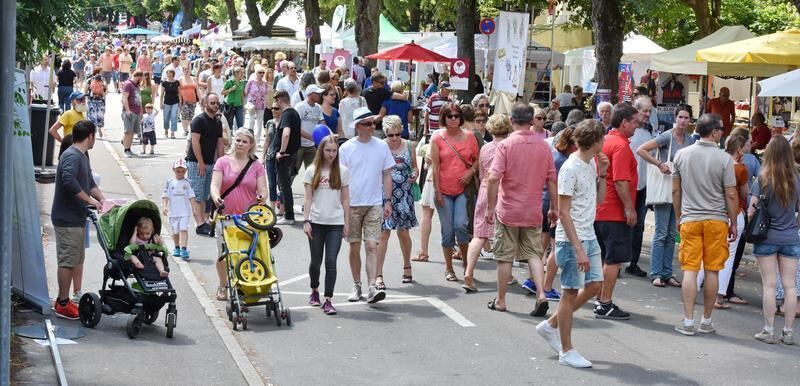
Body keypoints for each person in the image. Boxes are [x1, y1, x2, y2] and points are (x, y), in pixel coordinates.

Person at [536, 119, 609, 368]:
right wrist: (577, 247)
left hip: (588, 233)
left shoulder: (590, 164)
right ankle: (566, 350)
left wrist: (604, 174)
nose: (605, 141)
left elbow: (599, 200)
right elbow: (564, 213)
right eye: (603, 137)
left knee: (594, 286)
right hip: (571, 239)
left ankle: (551, 325)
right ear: (596, 141)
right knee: (569, 293)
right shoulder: (570, 168)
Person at [485, 103, 556, 315]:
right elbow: (552, 179)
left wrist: (490, 208)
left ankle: (501, 300)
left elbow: (493, 178)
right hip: (532, 209)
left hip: (508, 210)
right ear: (532, 120)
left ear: (511, 121)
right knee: (534, 253)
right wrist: (554, 207)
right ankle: (541, 294)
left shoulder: (506, 145)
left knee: (505, 256)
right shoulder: (543, 146)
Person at [672, 113, 738, 336]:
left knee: (690, 270)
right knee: (712, 270)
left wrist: (679, 215)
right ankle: (706, 320)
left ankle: (688, 321)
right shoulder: (724, 159)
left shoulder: (681, 155)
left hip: (690, 218)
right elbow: (730, 194)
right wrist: (733, 222)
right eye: (720, 129)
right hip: (716, 220)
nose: (722, 132)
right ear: (714, 132)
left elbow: (675, 190)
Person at [339, 107, 394, 303]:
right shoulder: (346, 148)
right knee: (354, 246)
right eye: (369, 123)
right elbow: (341, 179)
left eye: (374, 123)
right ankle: (357, 285)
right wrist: (341, 207)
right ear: (358, 127)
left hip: (374, 203)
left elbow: (387, 174)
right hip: (352, 204)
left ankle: (372, 286)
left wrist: (387, 201)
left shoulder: (381, 146)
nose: (373, 126)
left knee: (371, 245)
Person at [748, 136, 799, 344]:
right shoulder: (797, 179)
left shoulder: (763, 179)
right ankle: (788, 332)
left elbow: (752, 210)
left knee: (769, 285)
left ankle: (768, 330)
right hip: (790, 237)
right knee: (790, 286)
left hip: (767, 237)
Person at [52, 120, 105, 319]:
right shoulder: (72, 156)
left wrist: (103, 200)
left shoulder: (82, 156)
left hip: (77, 217)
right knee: (67, 260)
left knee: (76, 259)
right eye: (95, 136)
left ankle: (66, 299)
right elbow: (69, 182)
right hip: (67, 218)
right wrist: (90, 201)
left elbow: (89, 182)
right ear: (90, 136)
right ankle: (62, 302)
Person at [637, 106, 695, 286]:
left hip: (680, 189)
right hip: (665, 187)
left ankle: (667, 272)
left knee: (672, 233)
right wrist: (659, 164)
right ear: (675, 118)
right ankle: (656, 273)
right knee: (661, 232)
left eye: (686, 117)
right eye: (680, 117)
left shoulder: (690, 140)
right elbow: (642, 150)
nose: (683, 121)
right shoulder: (667, 136)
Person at [593, 103, 640, 320]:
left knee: (604, 258)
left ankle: (599, 298)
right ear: (624, 122)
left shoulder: (605, 141)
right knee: (613, 260)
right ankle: (605, 303)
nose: (637, 127)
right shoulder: (620, 146)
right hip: (614, 211)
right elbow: (621, 181)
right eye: (634, 122)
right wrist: (630, 209)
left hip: (600, 209)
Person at [210, 129, 268, 300]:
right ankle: (222, 285)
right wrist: (216, 198)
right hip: (226, 216)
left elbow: (263, 190)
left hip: (248, 218)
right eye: (238, 140)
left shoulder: (256, 166)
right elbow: (214, 185)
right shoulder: (222, 162)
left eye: (244, 141)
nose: (240, 144)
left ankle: (244, 284)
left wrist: (261, 197)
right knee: (224, 254)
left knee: (246, 253)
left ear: (251, 145)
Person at [696, 135, 749, 308]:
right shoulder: (740, 169)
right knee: (728, 256)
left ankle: (693, 286)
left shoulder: (716, 162)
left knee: (706, 252)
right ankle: (719, 296)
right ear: (739, 149)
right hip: (734, 212)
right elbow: (743, 194)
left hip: (714, 210)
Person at [429, 103, 479, 282]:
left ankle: (467, 264)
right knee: (447, 230)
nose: (453, 119)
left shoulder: (470, 137)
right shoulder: (437, 138)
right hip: (443, 188)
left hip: (463, 190)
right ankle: (449, 267)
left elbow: (478, 159)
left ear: (461, 118)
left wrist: (470, 172)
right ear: (443, 118)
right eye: (449, 116)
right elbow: (435, 166)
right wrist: (437, 191)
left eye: (456, 115)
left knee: (461, 225)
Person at [302, 135, 351, 315]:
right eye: (328, 150)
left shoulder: (342, 171)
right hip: (316, 222)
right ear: (321, 150)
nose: (331, 154)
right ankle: (314, 290)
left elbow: (346, 199)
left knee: (331, 261)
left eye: (334, 151)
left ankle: (328, 299)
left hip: (335, 223)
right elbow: (308, 198)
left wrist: (347, 222)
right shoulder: (312, 170)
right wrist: (306, 221)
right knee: (316, 262)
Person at [463, 114, 511, 291]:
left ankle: (468, 271)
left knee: (480, 234)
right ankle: (507, 273)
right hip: (503, 189)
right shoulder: (509, 146)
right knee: (504, 234)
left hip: (485, 188)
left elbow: (482, 174)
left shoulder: (485, 148)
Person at [376, 116, 419, 285]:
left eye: (397, 134)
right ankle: (379, 275)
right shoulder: (380, 147)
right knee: (384, 233)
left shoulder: (409, 145)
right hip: (385, 195)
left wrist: (415, 174)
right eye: (390, 135)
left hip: (404, 194)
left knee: (403, 232)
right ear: (385, 133)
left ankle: (407, 266)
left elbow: (414, 166)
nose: (394, 138)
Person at [187, 93, 225, 237]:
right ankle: (200, 223)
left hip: (211, 163)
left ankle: (204, 222)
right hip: (196, 162)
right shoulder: (198, 121)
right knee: (196, 194)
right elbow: (195, 142)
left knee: (205, 195)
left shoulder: (217, 122)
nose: (215, 105)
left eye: (217, 103)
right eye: (212, 103)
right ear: (205, 104)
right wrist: (200, 162)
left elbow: (220, 143)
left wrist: (222, 163)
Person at [625, 97, 655, 278]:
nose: (648, 114)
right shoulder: (629, 130)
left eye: (650, 111)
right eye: (645, 111)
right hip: (628, 184)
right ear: (636, 110)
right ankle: (618, 261)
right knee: (625, 224)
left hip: (643, 185)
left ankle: (632, 262)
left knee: (639, 226)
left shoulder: (648, 130)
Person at [273, 90, 303, 224]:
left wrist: (282, 151)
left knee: (285, 186)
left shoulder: (287, 114)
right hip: (293, 154)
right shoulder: (294, 113)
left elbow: (286, 133)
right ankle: (287, 214)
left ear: (280, 100)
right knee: (285, 185)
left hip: (286, 156)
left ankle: (288, 216)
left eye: (276, 101)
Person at [289, 84, 325, 185]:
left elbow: (322, 123)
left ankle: (312, 195)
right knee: (293, 172)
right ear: (310, 94)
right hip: (298, 145)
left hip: (312, 146)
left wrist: (329, 135)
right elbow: (296, 128)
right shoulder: (300, 107)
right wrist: (312, 138)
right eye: (317, 93)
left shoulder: (318, 107)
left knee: (313, 173)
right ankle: (283, 194)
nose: (319, 95)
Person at [162, 159, 195, 260]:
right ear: (173, 170)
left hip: (184, 212)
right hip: (173, 212)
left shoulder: (187, 183)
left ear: (186, 171)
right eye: (178, 171)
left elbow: (191, 196)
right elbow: (165, 195)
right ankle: (177, 247)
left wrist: (194, 208)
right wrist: (164, 206)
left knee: (183, 229)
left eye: (183, 171)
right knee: (175, 231)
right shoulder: (170, 182)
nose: (180, 173)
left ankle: (184, 249)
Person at [49, 91, 87, 158]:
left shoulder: (83, 116)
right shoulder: (68, 114)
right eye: (80, 100)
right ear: (72, 102)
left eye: (84, 99)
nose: (83, 102)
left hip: (81, 150)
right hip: (70, 151)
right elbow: (52, 130)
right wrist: (64, 143)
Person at [262, 102, 283, 214]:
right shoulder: (269, 123)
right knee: (271, 183)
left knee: (282, 184)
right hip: (270, 156)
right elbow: (267, 140)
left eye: (276, 108)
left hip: (281, 156)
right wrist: (262, 157)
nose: (274, 110)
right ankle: (272, 208)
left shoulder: (285, 122)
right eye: (272, 108)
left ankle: (283, 208)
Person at [121, 70, 144, 157]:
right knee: (128, 132)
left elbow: (139, 99)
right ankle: (126, 150)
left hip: (137, 111)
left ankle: (128, 148)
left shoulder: (136, 86)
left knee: (132, 132)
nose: (141, 80)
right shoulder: (128, 84)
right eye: (141, 78)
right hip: (130, 111)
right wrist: (127, 110)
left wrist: (141, 111)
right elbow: (124, 98)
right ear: (138, 76)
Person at [245, 65, 269, 142]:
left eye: (263, 72)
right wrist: (247, 101)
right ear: (256, 73)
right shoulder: (251, 81)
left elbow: (266, 93)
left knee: (259, 122)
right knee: (251, 120)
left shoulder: (265, 83)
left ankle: (258, 140)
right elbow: (246, 91)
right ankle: (250, 138)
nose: (261, 74)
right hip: (251, 103)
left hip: (261, 104)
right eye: (260, 72)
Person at [85, 69, 106, 138]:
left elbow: (85, 90)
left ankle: (93, 130)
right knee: (100, 115)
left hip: (91, 100)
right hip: (101, 100)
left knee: (92, 116)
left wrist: (86, 95)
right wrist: (103, 95)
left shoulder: (89, 80)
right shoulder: (102, 80)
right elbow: (106, 90)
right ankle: (99, 128)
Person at [179, 66, 200, 136]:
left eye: (187, 69)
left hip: (193, 99)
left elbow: (197, 90)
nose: (186, 71)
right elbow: (178, 91)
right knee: (185, 114)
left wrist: (200, 99)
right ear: (183, 71)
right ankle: (186, 130)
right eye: (184, 69)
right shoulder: (180, 79)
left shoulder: (193, 78)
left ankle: (189, 128)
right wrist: (179, 100)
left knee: (191, 115)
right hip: (184, 100)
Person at [160, 68, 180, 138]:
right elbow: (162, 93)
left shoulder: (177, 82)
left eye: (170, 74)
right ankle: (166, 130)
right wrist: (161, 103)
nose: (169, 75)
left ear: (173, 75)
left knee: (174, 117)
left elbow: (179, 93)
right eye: (168, 74)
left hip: (175, 101)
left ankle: (173, 132)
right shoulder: (164, 83)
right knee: (166, 117)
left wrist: (180, 102)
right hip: (166, 102)